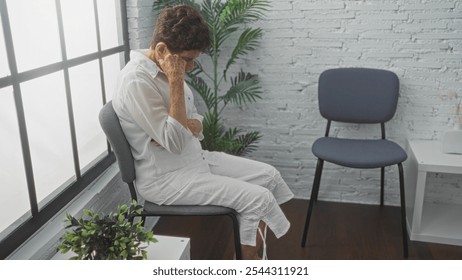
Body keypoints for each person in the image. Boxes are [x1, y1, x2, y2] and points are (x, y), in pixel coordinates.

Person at [112, 4, 293, 260]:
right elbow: (175, 142)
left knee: (268, 177)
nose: (190, 67)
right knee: (257, 198)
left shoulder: (167, 64)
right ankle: (250, 265)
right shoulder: (137, 82)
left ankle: (249, 257)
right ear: (162, 50)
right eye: (187, 59)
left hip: (193, 158)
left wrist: (182, 125)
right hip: (166, 178)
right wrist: (175, 85)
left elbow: (196, 121)